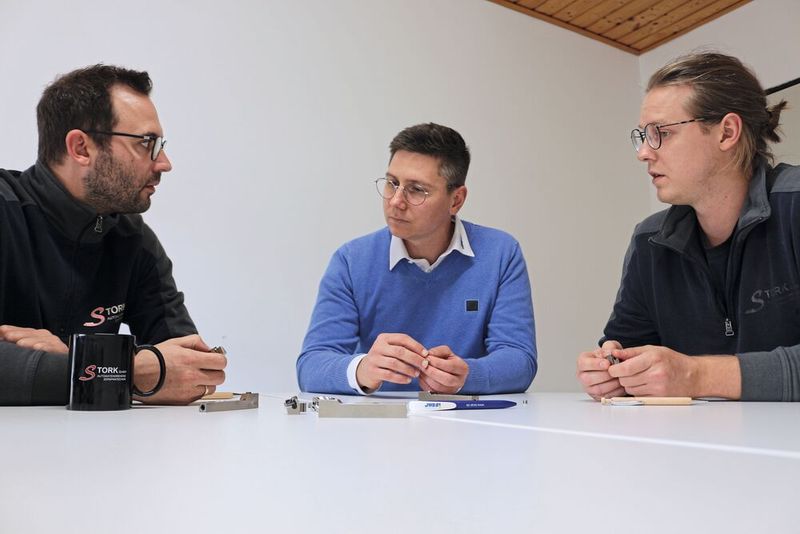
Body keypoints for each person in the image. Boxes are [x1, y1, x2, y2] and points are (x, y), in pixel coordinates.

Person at [0, 64, 227, 405]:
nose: (164, 162)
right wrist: (122, 369)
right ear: (81, 148)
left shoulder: (132, 239)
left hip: (101, 452)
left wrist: (75, 359)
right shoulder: (5, 212)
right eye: (147, 143)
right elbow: (156, 371)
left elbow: (190, 369)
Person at [577, 51, 797, 401]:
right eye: (642, 136)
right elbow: (628, 343)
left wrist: (697, 375)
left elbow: (687, 376)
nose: (644, 153)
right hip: (692, 446)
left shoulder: (794, 205)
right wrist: (613, 370)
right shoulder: (649, 239)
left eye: (660, 133)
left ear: (726, 132)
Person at [297, 123, 537, 395]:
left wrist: (467, 376)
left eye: (416, 190)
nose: (396, 201)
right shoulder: (352, 261)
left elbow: (520, 360)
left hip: (469, 422)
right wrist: (362, 369)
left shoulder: (500, 254)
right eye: (392, 183)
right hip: (376, 427)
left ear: (456, 200)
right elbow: (311, 365)